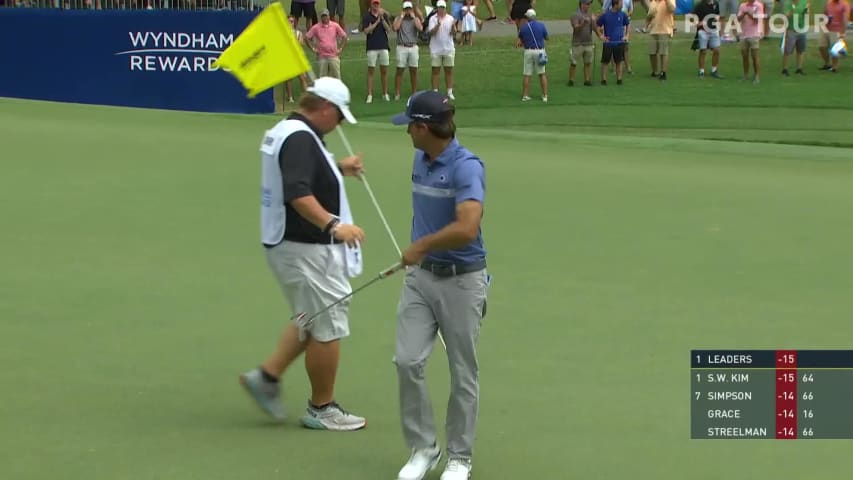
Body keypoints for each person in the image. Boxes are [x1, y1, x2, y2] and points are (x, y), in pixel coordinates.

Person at [241, 77, 368, 432]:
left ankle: (266, 377)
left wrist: (338, 169)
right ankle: (321, 408)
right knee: (328, 323)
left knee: (311, 317)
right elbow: (297, 191)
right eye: (339, 116)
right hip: (304, 246)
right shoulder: (299, 137)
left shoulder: (292, 131)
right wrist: (334, 225)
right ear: (325, 108)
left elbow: (305, 173)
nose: (339, 123)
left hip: (290, 244)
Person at [389, 90, 489, 480]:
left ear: (424, 127)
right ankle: (424, 448)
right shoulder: (419, 158)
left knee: (463, 370)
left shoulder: (466, 167)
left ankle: (460, 457)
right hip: (420, 280)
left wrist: (422, 245)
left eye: (409, 126)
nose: (406, 133)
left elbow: (467, 228)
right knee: (407, 360)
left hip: (463, 281)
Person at [362, 0, 394, 103]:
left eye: (377, 4)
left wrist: (382, 19)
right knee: (371, 71)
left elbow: (389, 29)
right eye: (374, 4)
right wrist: (376, 23)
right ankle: (370, 94)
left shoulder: (383, 16)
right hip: (372, 47)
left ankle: (385, 93)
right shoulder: (367, 16)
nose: (376, 6)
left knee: (384, 71)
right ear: (371, 5)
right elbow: (366, 31)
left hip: (383, 46)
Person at [394, 1, 424, 100]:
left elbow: (420, 28)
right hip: (402, 47)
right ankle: (397, 93)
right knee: (400, 70)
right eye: (406, 9)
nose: (407, 11)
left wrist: (414, 17)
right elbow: (395, 27)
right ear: (403, 10)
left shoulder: (415, 19)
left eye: (409, 9)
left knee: (414, 70)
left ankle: (414, 93)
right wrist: (402, 17)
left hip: (413, 47)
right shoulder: (398, 18)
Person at [517, 8, 548, 102]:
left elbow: (520, 41)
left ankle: (525, 95)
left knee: (527, 74)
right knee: (542, 74)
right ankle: (545, 96)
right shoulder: (541, 25)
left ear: (527, 17)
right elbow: (547, 37)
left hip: (528, 51)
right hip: (540, 51)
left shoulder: (523, 27)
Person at [428, 0, 458, 99]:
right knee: (435, 71)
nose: (441, 9)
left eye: (443, 7)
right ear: (437, 8)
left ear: (445, 8)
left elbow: (453, 33)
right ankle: (435, 92)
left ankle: (449, 92)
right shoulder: (432, 19)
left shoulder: (450, 18)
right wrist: (438, 25)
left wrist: (454, 26)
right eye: (439, 7)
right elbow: (431, 33)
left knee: (449, 71)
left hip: (448, 49)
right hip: (436, 49)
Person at [306, 9, 348, 79]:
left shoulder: (335, 25)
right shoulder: (316, 27)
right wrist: (313, 49)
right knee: (322, 78)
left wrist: (340, 49)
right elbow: (306, 37)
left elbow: (345, 37)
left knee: (336, 77)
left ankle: (336, 90)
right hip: (322, 56)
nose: (325, 18)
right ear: (321, 17)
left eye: (326, 16)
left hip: (334, 55)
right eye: (323, 16)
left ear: (329, 16)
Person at [596, 0, 630, 85]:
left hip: (619, 42)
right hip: (608, 43)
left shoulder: (622, 14)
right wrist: (601, 36)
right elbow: (597, 25)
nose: (622, 5)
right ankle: (604, 79)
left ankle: (619, 79)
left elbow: (627, 24)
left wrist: (626, 35)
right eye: (621, 3)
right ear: (616, 4)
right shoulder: (606, 15)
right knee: (605, 61)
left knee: (619, 61)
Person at [569, 0, 597, 86]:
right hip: (578, 43)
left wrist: (595, 22)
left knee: (587, 62)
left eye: (589, 4)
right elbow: (576, 28)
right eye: (587, 4)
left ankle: (587, 80)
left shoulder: (590, 14)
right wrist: (583, 23)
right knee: (574, 63)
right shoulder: (575, 15)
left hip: (588, 42)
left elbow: (593, 28)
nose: (588, 6)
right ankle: (571, 80)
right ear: (582, 4)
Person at [646, 0, 675, 80]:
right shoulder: (653, 2)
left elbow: (672, 9)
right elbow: (649, 16)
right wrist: (646, 24)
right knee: (652, 52)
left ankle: (663, 72)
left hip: (665, 30)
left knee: (663, 52)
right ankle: (655, 71)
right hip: (653, 30)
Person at [694, 0, 723, 78]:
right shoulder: (699, 5)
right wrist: (698, 23)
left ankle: (714, 70)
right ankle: (701, 71)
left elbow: (718, 17)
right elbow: (692, 17)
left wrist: (720, 29)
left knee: (717, 50)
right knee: (703, 51)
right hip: (703, 31)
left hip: (714, 30)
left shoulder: (716, 4)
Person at [819, 0, 850, 72]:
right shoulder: (828, 2)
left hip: (837, 30)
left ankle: (834, 66)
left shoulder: (844, 4)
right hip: (826, 28)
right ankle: (827, 64)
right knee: (821, 46)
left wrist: (843, 32)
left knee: (834, 49)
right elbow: (825, 13)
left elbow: (845, 18)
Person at [285, 15, 311, 104]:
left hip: (298, 59)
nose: (290, 23)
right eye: (288, 21)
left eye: (291, 21)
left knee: (303, 78)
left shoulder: (298, 33)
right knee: (288, 79)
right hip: (288, 58)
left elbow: (300, 44)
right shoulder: (283, 34)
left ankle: (306, 98)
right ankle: (290, 97)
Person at [737, 0, 763, 84]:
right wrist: (743, 14)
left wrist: (748, 13)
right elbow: (738, 19)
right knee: (744, 55)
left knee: (755, 56)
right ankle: (745, 75)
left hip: (754, 34)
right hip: (744, 34)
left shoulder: (759, 5)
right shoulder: (742, 6)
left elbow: (757, 19)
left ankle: (757, 76)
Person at [781, 0, 808, 75]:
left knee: (801, 50)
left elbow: (806, 15)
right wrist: (792, 10)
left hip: (801, 29)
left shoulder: (804, 2)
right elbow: (786, 15)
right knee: (788, 50)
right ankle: (785, 69)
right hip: (791, 29)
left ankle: (799, 68)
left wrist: (806, 12)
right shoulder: (787, 3)